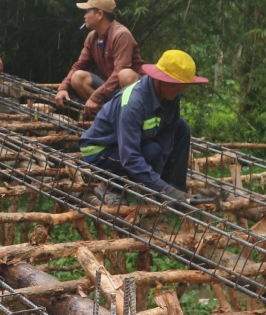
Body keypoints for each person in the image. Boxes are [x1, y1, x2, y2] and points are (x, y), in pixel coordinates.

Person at [79, 50, 207, 203]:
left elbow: (167, 139)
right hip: (100, 149)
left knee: (181, 128)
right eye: (177, 85)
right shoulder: (133, 103)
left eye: (184, 85)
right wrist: (161, 188)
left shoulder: (171, 97)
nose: (181, 90)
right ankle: (110, 186)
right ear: (161, 79)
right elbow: (130, 156)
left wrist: (163, 184)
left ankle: (177, 192)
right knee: (151, 152)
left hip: (130, 143)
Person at [55, 0, 144, 116]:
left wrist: (96, 96)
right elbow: (79, 65)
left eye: (88, 12)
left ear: (100, 14)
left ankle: (129, 116)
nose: (85, 16)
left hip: (134, 91)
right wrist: (63, 88)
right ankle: (107, 114)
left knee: (125, 75)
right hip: (111, 89)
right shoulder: (92, 37)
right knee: (78, 77)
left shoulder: (121, 35)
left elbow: (120, 70)